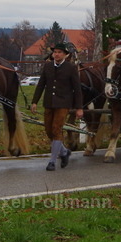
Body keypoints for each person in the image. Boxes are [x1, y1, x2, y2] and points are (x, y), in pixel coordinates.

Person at [31, 43, 85, 171]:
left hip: (63, 103)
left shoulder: (71, 68)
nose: (56, 54)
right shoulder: (48, 66)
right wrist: (34, 102)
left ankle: (52, 161)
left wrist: (79, 108)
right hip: (49, 103)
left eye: (59, 52)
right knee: (49, 131)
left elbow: (77, 89)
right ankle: (64, 151)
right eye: (55, 52)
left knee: (56, 129)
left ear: (65, 55)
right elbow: (40, 85)